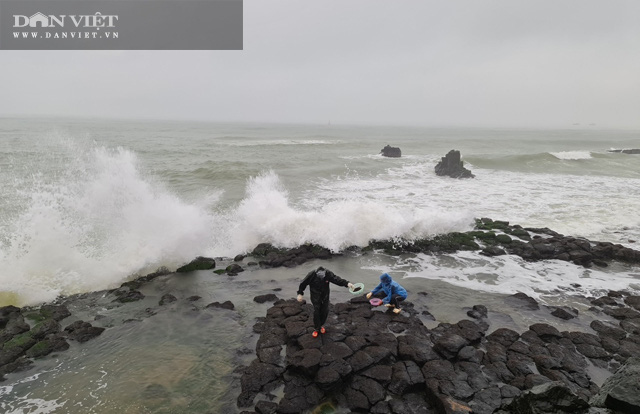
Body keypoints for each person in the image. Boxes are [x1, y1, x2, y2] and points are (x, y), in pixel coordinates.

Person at [297, 266, 354, 338]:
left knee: (325, 311)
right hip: (315, 296)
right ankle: (317, 329)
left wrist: (347, 284)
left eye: (323, 276)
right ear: (316, 273)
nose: (322, 277)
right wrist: (300, 293)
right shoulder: (311, 274)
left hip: (325, 295)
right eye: (319, 276)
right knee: (316, 311)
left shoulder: (328, 273)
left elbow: (336, 280)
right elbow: (303, 283)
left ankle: (321, 325)